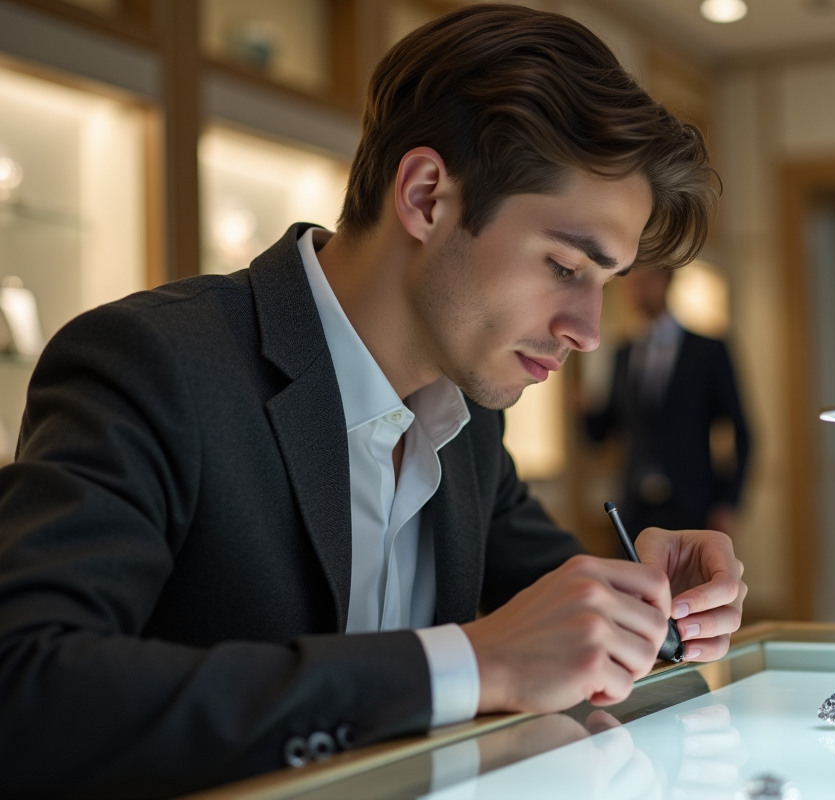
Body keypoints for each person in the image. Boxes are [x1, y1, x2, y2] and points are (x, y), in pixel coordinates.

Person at [0, 6, 747, 798]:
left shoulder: (469, 420)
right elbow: (25, 690)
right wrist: (474, 663)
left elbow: (560, 620)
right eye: (565, 267)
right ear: (426, 197)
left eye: (606, 285)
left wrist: (659, 604)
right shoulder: (152, 363)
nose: (589, 332)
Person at [585, 268, 751, 537]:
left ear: (665, 280)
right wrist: (585, 411)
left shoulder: (707, 351)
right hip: (634, 508)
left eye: (642, 281)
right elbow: (604, 433)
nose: (633, 291)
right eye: (629, 283)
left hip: (693, 504)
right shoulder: (622, 354)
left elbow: (742, 432)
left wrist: (727, 502)